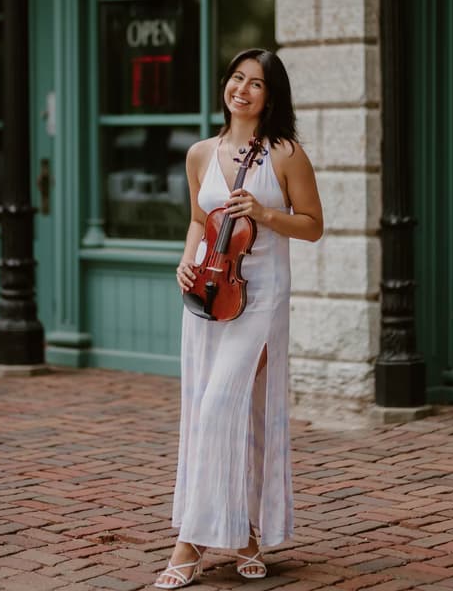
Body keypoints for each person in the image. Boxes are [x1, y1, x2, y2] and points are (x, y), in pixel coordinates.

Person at [155, 48, 323, 588]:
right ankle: (244, 533)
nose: (243, 89)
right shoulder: (201, 153)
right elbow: (200, 221)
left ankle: (188, 546)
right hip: (210, 293)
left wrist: (266, 214)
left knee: (219, 404)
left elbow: (313, 225)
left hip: (263, 298)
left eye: (256, 83)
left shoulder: (285, 153)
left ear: (271, 96)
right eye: (236, 78)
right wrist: (186, 260)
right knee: (224, 412)